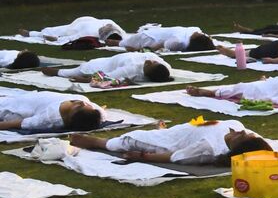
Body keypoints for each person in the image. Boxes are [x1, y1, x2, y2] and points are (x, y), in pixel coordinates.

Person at [67, 119, 271, 165]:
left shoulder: (208, 148)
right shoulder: (236, 125)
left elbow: (175, 157)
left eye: (242, 135)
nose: (242, 131)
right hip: (184, 130)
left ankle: (98, 142)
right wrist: (192, 123)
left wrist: (142, 157)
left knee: (130, 139)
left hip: (170, 142)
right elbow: (202, 123)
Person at [0, 88, 104, 133]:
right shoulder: (92, 109)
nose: (82, 102)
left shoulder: (49, 119)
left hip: (15, 108)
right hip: (29, 97)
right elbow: (100, 111)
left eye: (78, 107)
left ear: (71, 117)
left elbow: (16, 123)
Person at [42, 51, 171, 85]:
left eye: (151, 64)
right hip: (108, 60)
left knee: (69, 73)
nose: (151, 61)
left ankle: (55, 71)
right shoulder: (164, 66)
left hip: (96, 66)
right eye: (155, 62)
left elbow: (107, 77)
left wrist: (85, 80)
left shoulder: (131, 70)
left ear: (147, 71)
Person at [119, 25, 217, 52]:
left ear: (197, 39)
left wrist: (138, 50)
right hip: (154, 32)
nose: (203, 33)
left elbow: (159, 45)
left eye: (203, 35)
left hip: (148, 37)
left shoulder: (179, 42)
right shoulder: (196, 30)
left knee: (120, 42)